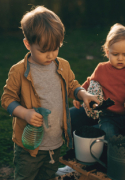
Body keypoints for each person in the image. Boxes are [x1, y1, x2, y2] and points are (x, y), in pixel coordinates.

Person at [1, 6, 99, 180]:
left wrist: (83, 94)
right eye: (44, 50)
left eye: (55, 48)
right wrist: (24, 113)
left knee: (47, 176)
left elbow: (72, 85)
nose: (50, 55)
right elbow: (7, 99)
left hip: (55, 143)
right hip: (29, 146)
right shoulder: (18, 71)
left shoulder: (62, 65)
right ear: (27, 44)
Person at [56, 23, 125, 176]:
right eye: (115, 54)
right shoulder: (102, 68)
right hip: (108, 116)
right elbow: (88, 82)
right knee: (108, 133)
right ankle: (87, 163)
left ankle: (116, 168)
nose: (120, 58)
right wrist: (80, 96)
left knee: (119, 145)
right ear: (107, 52)